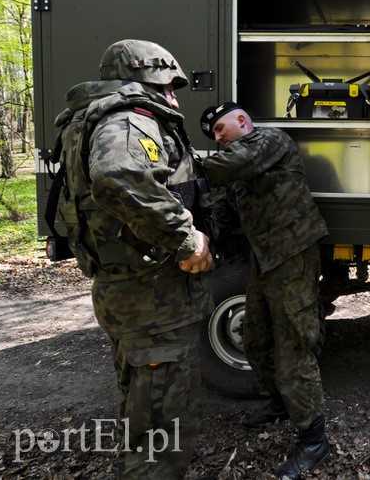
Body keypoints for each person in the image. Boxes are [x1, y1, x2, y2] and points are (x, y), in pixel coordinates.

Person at [52, 39, 213, 478]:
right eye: (168, 84)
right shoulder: (129, 119)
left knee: (143, 410)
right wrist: (186, 237)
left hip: (132, 292)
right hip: (152, 297)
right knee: (161, 430)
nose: (174, 95)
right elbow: (119, 177)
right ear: (145, 78)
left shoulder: (93, 119)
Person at [199, 102, 331, 479]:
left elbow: (226, 167)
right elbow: (221, 212)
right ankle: (279, 401)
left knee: (293, 347)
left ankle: (314, 441)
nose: (218, 138)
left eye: (221, 129)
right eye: (214, 136)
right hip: (264, 258)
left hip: (292, 253)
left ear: (242, 121)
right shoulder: (235, 163)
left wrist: (185, 166)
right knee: (255, 338)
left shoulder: (269, 142)